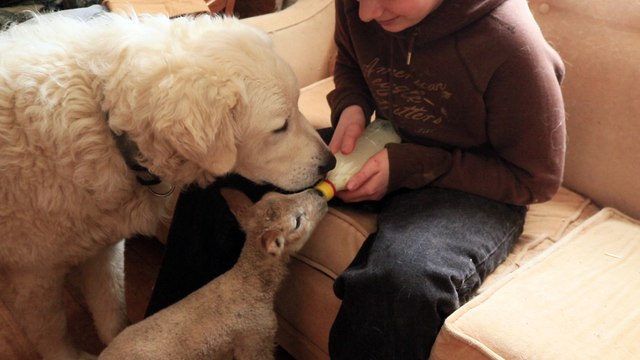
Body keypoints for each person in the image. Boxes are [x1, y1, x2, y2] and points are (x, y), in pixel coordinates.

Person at [147, 0, 565, 359]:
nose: (364, 13)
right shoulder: (362, 8)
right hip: (382, 142)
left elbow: (536, 178)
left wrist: (411, 164)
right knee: (213, 183)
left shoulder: (511, 46)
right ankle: (158, 345)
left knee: (399, 282)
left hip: (475, 182)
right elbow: (351, 62)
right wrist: (351, 107)